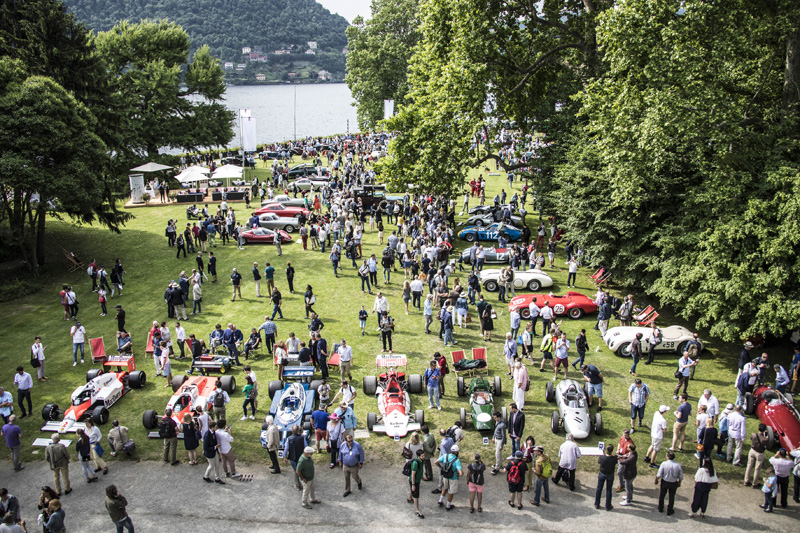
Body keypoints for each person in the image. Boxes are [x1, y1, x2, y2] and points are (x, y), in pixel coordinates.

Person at [435, 443, 463, 511]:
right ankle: (448, 506)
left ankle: (440, 500)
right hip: (453, 478)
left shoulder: (445, 456)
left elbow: (436, 462)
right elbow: (460, 473)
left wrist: (441, 467)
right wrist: (460, 473)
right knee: (451, 492)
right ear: (457, 452)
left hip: (445, 476)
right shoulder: (457, 460)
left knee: (444, 488)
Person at [655, 450, 683, 515]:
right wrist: (679, 482)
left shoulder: (664, 464)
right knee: (671, 496)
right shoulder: (678, 465)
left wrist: (656, 479)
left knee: (662, 495)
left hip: (665, 481)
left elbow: (659, 474)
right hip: (673, 482)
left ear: (667, 457)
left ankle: (660, 508)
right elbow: (681, 476)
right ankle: (670, 510)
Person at [744, 423, 769, 488]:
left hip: (752, 450)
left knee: (749, 466)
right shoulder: (764, 439)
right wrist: (766, 437)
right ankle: (754, 483)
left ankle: (746, 481)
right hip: (759, 453)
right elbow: (766, 444)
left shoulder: (753, 435)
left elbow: (751, 438)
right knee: (757, 469)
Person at [595, 444, 617, 510]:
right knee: (609, 490)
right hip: (610, 475)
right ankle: (608, 505)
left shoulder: (602, 457)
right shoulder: (614, 458)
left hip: (602, 474)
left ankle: (597, 503)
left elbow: (599, 461)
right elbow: (616, 461)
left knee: (599, 488)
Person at [407, 448, 425, 518]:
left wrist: (422, 476)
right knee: (416, 496)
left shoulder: (422, 461)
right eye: (422, 456)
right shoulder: (415, 463)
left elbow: (421, 469)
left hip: (418, 480)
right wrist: (413, 485)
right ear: (418, 456)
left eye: (424, 455)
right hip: (414, 481)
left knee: (413, 490)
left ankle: (409, 498)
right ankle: (417, 511)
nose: (423, 457)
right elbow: (413, 474)